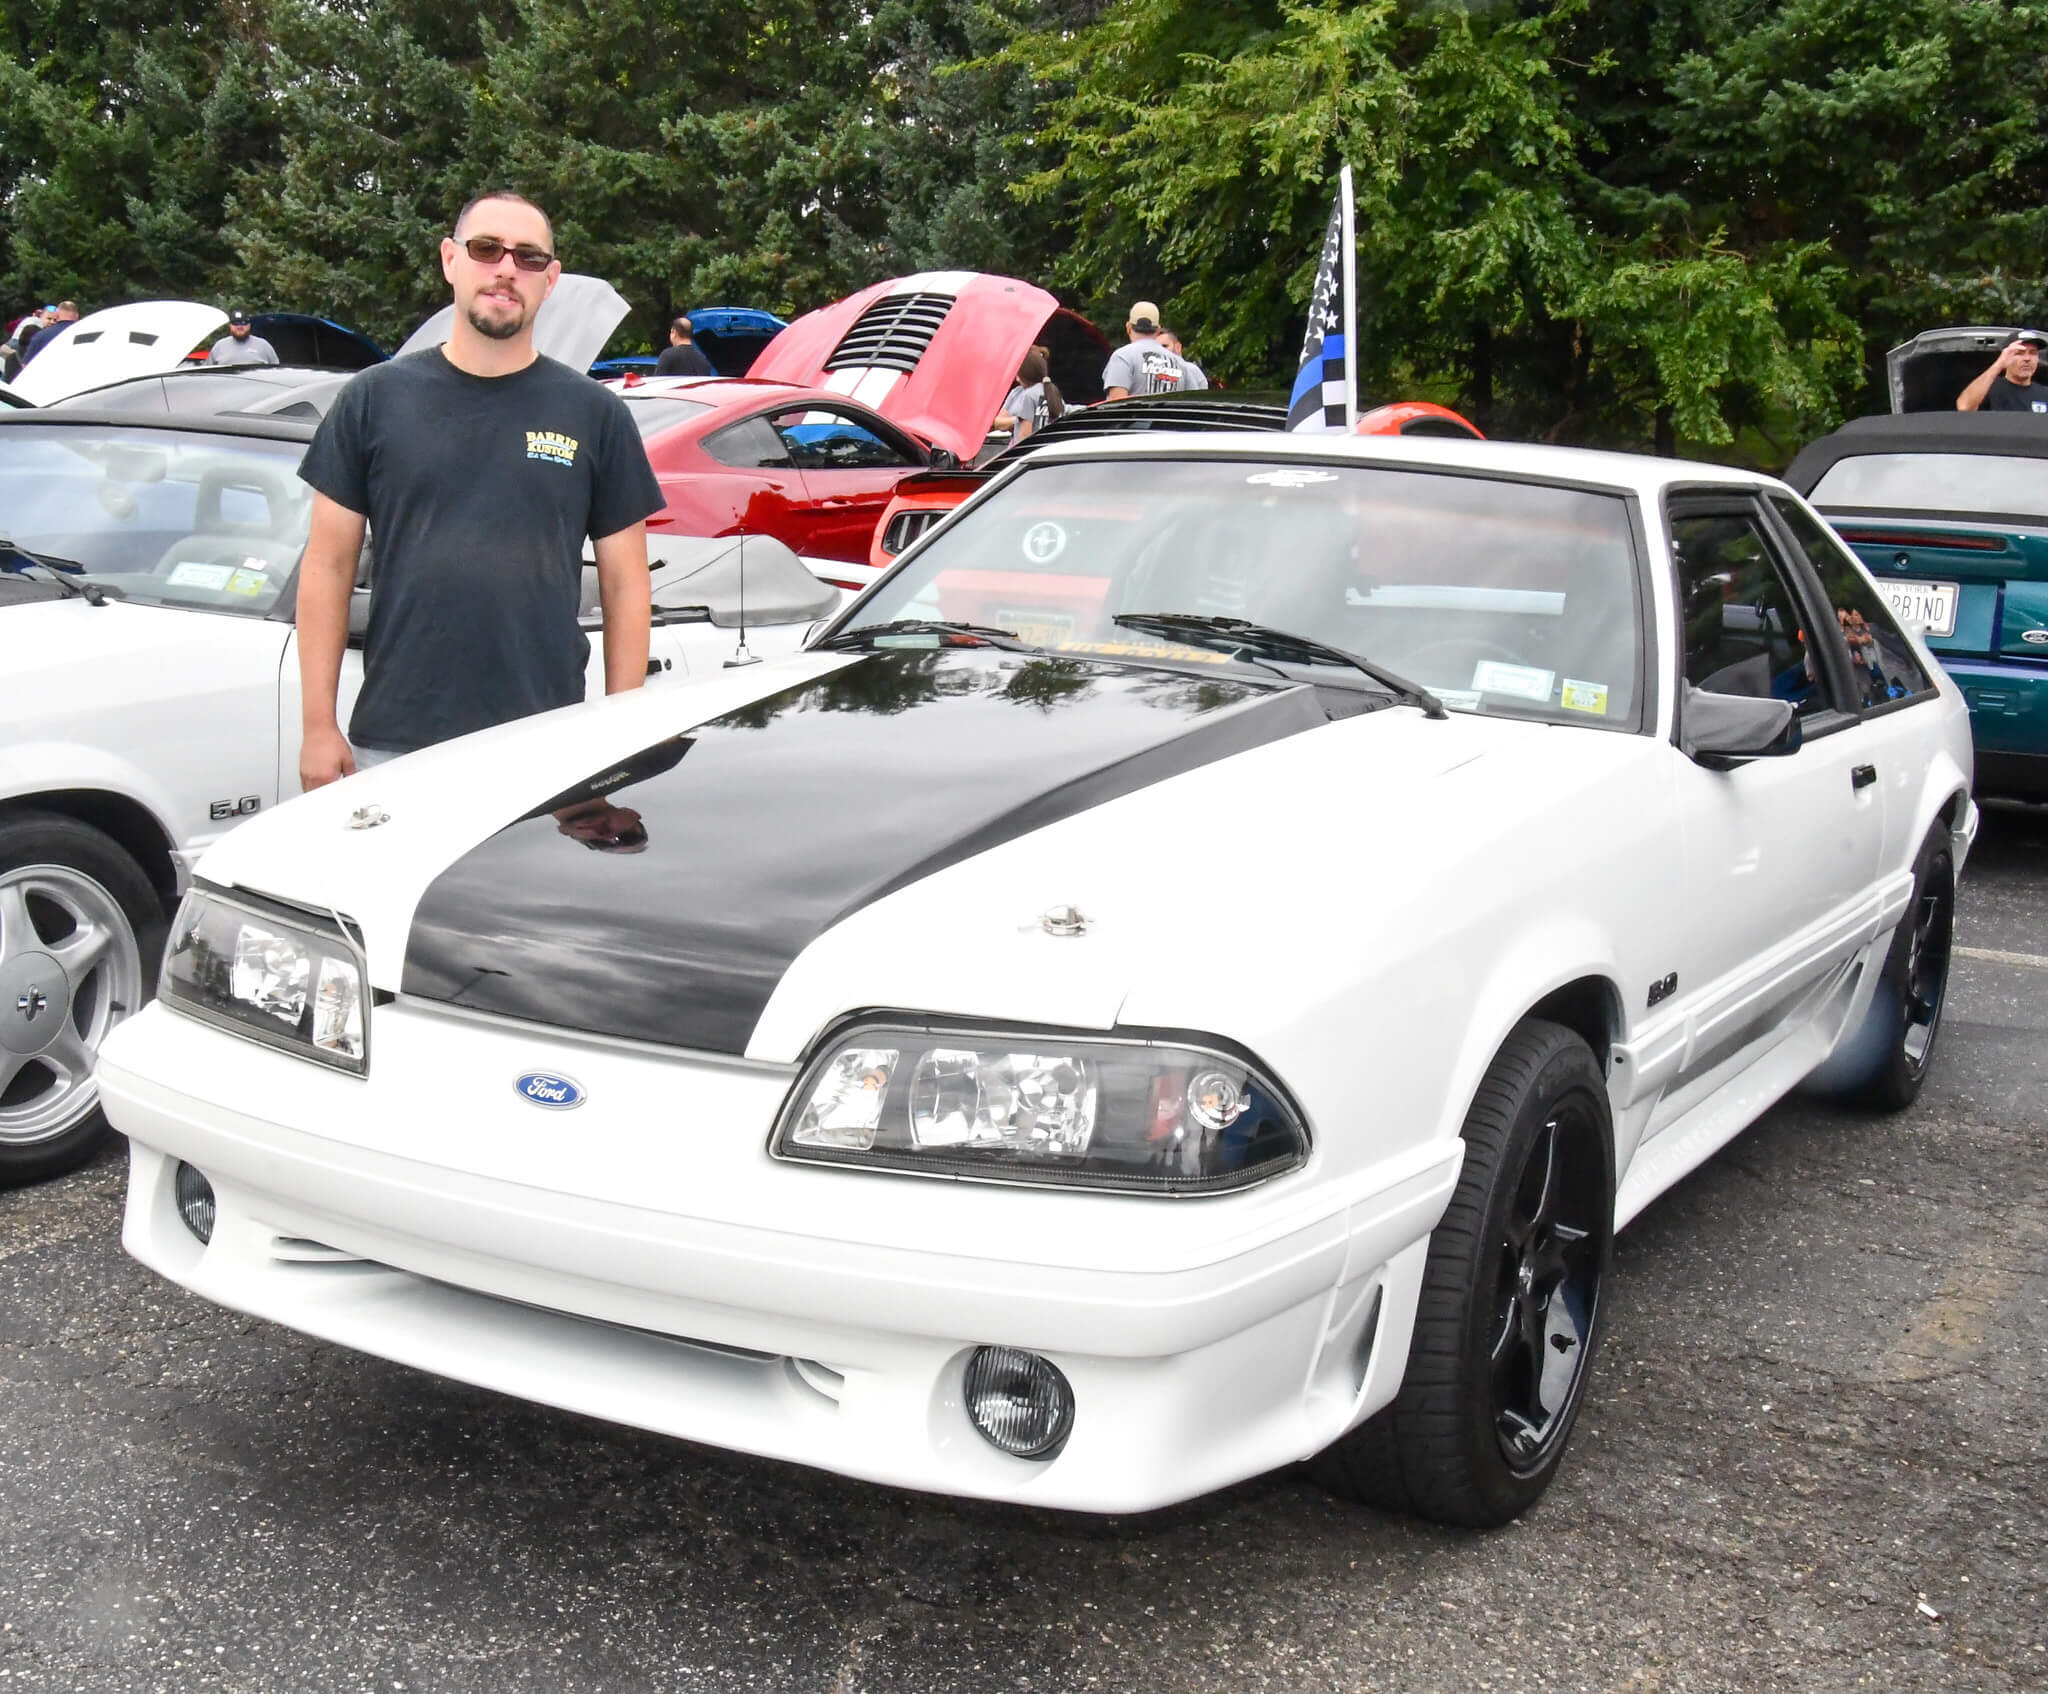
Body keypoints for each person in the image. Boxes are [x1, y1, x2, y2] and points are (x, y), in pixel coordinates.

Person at [293, 189, 665, 788]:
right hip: (395, 740)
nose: (506, 270)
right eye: (487, 249)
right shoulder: (372, 399)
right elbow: (327, 566)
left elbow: (626, 583)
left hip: (548, 745)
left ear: (552, 279)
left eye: (528, 258)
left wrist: (618, 734)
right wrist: (318, 725)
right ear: (450, 260)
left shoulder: (595, 415)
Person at [1101, 301, 1188, 400]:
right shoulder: (1179, 363)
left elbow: (1116, 404)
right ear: (1158, 329)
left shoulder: (1122, 357)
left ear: (1128, 327)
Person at [1956, 330, 2048, 413]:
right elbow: (1964, 407)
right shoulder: (1989, 388)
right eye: (2019, 353)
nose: (2027, 358)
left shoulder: (2044, 393)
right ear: (2006, 356)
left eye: (2033, 353)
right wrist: (1999, 364)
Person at [996, 345, 1065, 440]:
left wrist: (1021, 420)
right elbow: (998, 421)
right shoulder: (1052, 390)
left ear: (1025, 373)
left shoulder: (1028, 395)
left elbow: (1024, 437)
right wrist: (1018, 419)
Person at [16, 300, 79, 368]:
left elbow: (25, 365)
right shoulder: (86, 331)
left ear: (56, 315)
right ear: (77, 316)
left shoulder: (40, 336)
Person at [209, 309, 280, 368]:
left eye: (243, 323)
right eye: (235, 323)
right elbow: (207, 374)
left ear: (249, 325)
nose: (239, 327)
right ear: (230, 325)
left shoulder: (263, 345)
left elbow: (276, 371)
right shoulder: (219, 346)